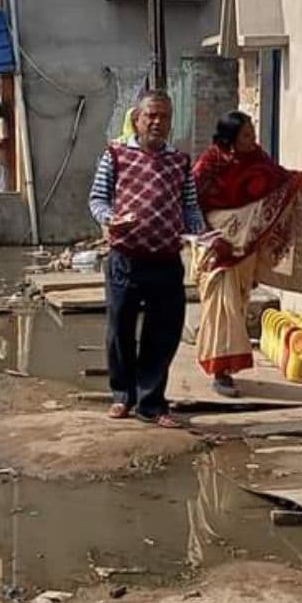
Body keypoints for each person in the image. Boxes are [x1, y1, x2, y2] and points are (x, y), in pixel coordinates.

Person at [88, 90, 206, 428]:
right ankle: (122, 395)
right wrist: (110, 218)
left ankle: (151, 403)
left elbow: (189, 206)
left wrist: (199, 233)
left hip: (166, 258)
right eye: (151, 115)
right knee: (120, 329)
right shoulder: (115, 155)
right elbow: (97, 199)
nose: (157, 122)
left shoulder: (180, 162)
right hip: (125, 257)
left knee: (163, 332)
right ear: (137, 119)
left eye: (164, 116)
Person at [192, 111, 302, 397]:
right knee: (222, 308)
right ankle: (220, 372)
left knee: (238, 305)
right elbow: (191, 202)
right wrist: (210, 237)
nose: (252, 139)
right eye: (246, 135)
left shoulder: (258, 158)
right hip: (217, 248)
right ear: (230, 137)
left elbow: (282, 180)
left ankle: (227, 367)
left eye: (253, 134)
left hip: (245, 250)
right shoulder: (210, 162)